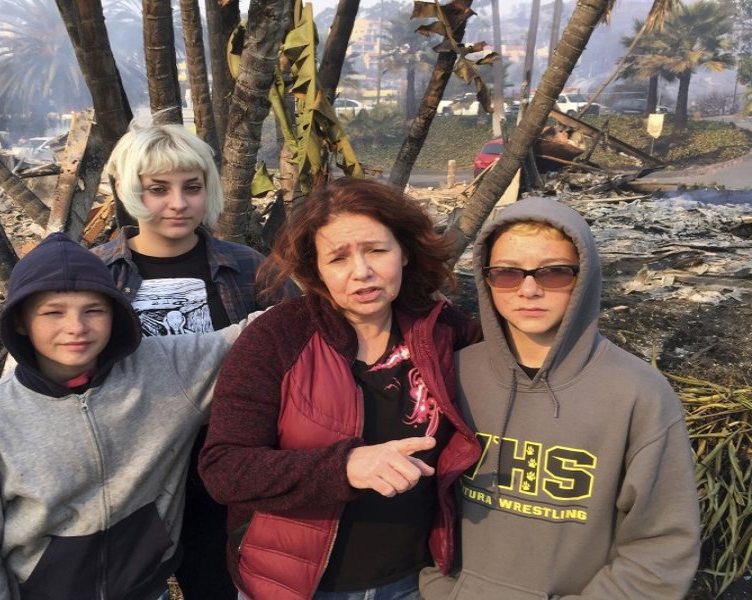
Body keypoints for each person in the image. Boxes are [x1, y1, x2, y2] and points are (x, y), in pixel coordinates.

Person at [198, 177, 484, 600]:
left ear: (404, 251)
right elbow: (224, 470)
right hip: (292, 586)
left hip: (415, 581)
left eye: (376, 250)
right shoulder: (276, 337)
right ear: (316, 270)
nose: (362, 272)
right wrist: (345, 467)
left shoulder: (444, 331)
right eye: (338, 258)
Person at [0, 232, 257, 599]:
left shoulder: (165, 369)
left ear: (115, 313)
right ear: (20, 321)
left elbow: (250, 337)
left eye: (93, 310)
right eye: (53, 312)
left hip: (147, 589)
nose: (76, 327)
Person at [419, 197, 701, 599]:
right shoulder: (452, 376)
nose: (529, 289)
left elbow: (661, 546)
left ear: (584, 277)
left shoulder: (638, 394)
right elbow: (417, 508)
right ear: (485, 279)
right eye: (507, 273)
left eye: (554, 273)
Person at [92, 121, 298, 599]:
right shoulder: (98, 275)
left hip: (222, 468)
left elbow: (296, 353)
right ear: (130, 191)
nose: (178, 204)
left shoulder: (248, 266)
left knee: (220, 585)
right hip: (134, 471)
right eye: (158, 189)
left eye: (193, 187)